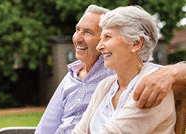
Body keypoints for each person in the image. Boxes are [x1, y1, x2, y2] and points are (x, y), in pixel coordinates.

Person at [72, 6, 176, 134]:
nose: (99, 46)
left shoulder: (154, 85)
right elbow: (79, 131)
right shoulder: (105, 86)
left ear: (136, 43)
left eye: (108, 37)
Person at [34, 5, 115, 134]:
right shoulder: (72, 75)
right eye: (77, 30)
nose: (77, 38)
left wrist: (160, 76)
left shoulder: (116, 73)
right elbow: (46, 127)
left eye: (88, 32)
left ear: (106, 39)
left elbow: (148, 68)